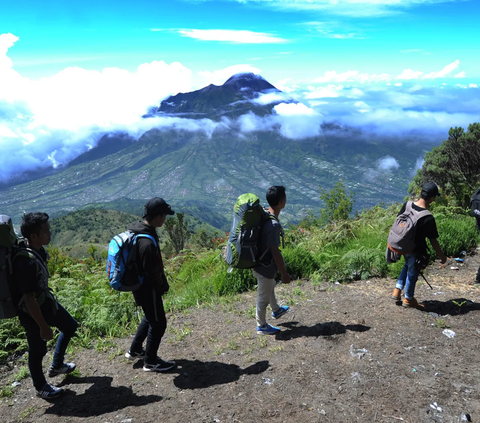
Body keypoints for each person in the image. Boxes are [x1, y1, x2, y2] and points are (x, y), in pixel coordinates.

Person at [11, 212, 78, 399]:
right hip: (31, 313)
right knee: (37, 349)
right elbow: (29, 299)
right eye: (46, 231)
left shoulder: (37, 250)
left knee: (70, 326)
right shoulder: (25, 262)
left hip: (46, 303)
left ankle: (57, 365)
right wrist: (43, 327)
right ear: (33, 236)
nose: (50, 234)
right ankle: (41, 387)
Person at [124, 197, 176, 372]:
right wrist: (162, 286)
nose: (165, 219)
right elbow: (152, 273)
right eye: (164, 216)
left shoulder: (140, 232)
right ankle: (151, 361)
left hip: (139, 287)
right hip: (148, 289)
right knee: (159, 323)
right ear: (159, 217)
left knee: (149, 316)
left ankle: (135, 349)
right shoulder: (147, 243)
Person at [391, 182, 447, 309]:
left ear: (421, 193)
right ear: (432, 199)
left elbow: (399, 221)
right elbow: (433, 241)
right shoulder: (428, 217)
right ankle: (408, 299)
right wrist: (442, 256)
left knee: (407, 265)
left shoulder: (407, 204)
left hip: (403, 245)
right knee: (413, 272)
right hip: (416, 250)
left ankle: (397, 289)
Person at [253, 186, 291, 335]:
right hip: (264, 265)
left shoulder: (265, 214)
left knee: (269, 286)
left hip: (259, 262)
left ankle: (276, 310)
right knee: (263, 298)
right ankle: (261, 325)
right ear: (282, 202)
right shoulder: (273, 225)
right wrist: (284, 273)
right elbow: (275, 251)